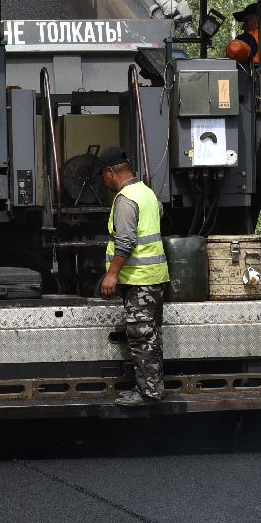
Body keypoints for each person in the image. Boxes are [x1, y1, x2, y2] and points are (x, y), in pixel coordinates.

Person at [97, 147, 171, 408]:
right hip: (153, 278)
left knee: (141, 337)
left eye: (102, 176)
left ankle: (148, 393)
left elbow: (126, 242)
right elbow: (158, 217)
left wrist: (111, 274)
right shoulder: (147, 193)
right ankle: (152, 388)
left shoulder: (126, 199)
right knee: (150, 336)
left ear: (110, 172)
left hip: (140, 280)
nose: (103, 182)